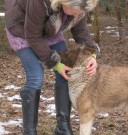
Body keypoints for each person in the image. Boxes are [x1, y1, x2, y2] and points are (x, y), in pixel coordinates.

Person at [5, 0, 100, 134]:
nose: (79, 14)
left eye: (82, 11)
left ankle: (62, 127)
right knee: (36, 76)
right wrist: (56, 64)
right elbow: (32, 36)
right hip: (22, 29)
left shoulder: (80, 8)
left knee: (67, 71)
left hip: (49, 29)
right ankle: (29, 131)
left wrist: (92, 55)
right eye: (76, 10)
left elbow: (81, 33)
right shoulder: (39, 3)